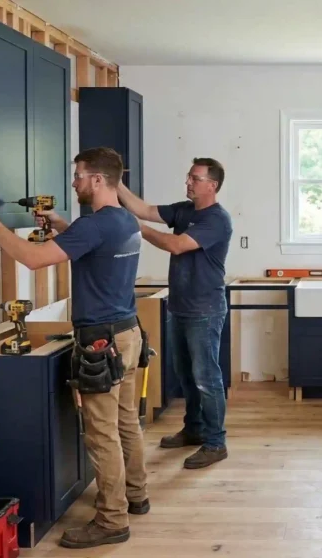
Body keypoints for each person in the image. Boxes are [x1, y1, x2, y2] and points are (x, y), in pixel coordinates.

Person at [0, 147, 149, 549]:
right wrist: (64, 225)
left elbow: (33, 259)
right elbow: (93, 247)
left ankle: (112, 521)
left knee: (102, 435)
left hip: (101, 341)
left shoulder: (95, 225)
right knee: (125, 423)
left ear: (98, 179)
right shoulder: (124, 220)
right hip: (128, 333)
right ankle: (135, 495)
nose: (74, 182)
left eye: (79, 175)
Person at [117, 157, 233, 470]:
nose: (189, 182)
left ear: (213, 185)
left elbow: (178, 245)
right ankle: (194, 429)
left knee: (206, 378)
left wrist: (140, 230)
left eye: (196, 179)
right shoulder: (183, 209)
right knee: (186, 375)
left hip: (205, 309)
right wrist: (116, 183)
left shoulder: (217, 220)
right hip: (181, 306)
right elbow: (143, 209)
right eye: (189, 177)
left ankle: (215, 442)